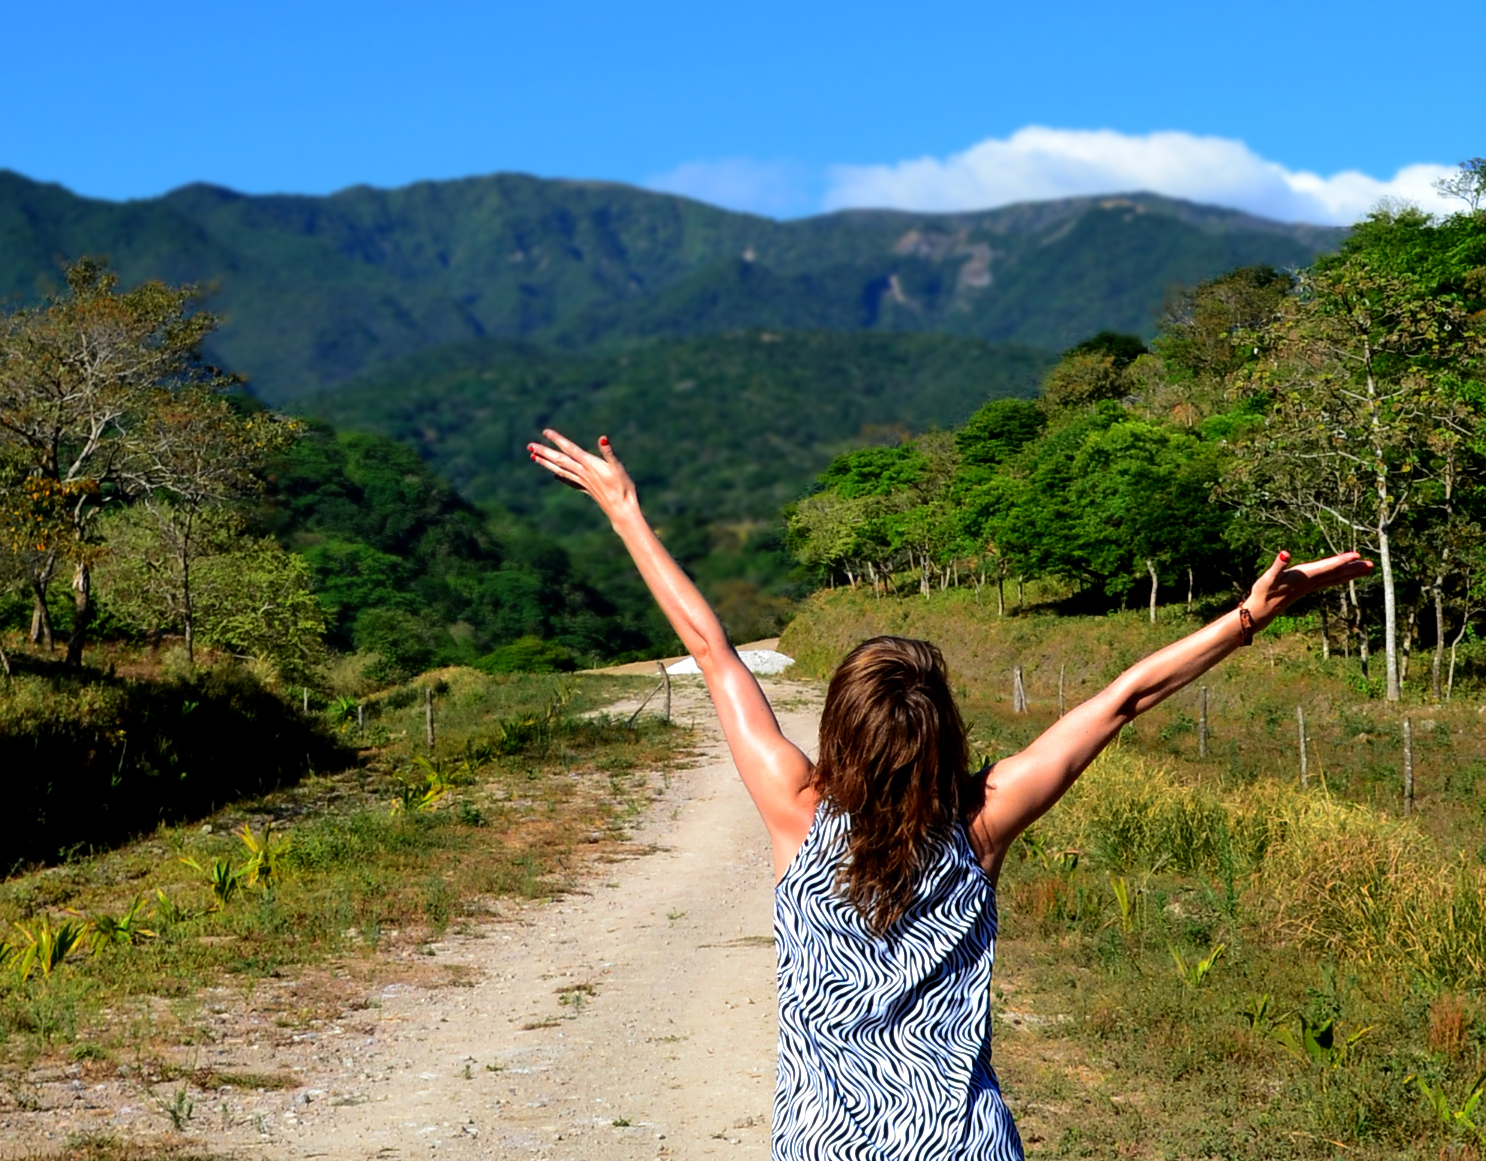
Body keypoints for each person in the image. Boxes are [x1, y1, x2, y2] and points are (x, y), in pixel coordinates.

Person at [527, 427, 1371, 1161]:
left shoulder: (795, 808)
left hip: (824, 1143)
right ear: (947, 734)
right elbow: (1122, 700)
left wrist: (624, 509)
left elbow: (712, 652)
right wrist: (1247, 617)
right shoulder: (981, 823)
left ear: (839, 729)